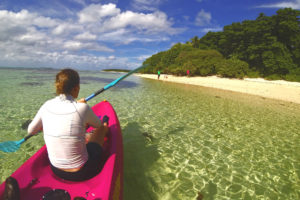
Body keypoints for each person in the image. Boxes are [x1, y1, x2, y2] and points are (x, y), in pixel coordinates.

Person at [27, 68, 109, 182]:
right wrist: (80, 106)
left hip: (55, 169)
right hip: (81, 172)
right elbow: (97, 124)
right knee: (101, 129)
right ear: (76, 88)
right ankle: (106, 125)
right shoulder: (82, 108)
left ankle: (86, 136)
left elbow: (31, 131)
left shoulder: (46, 105)